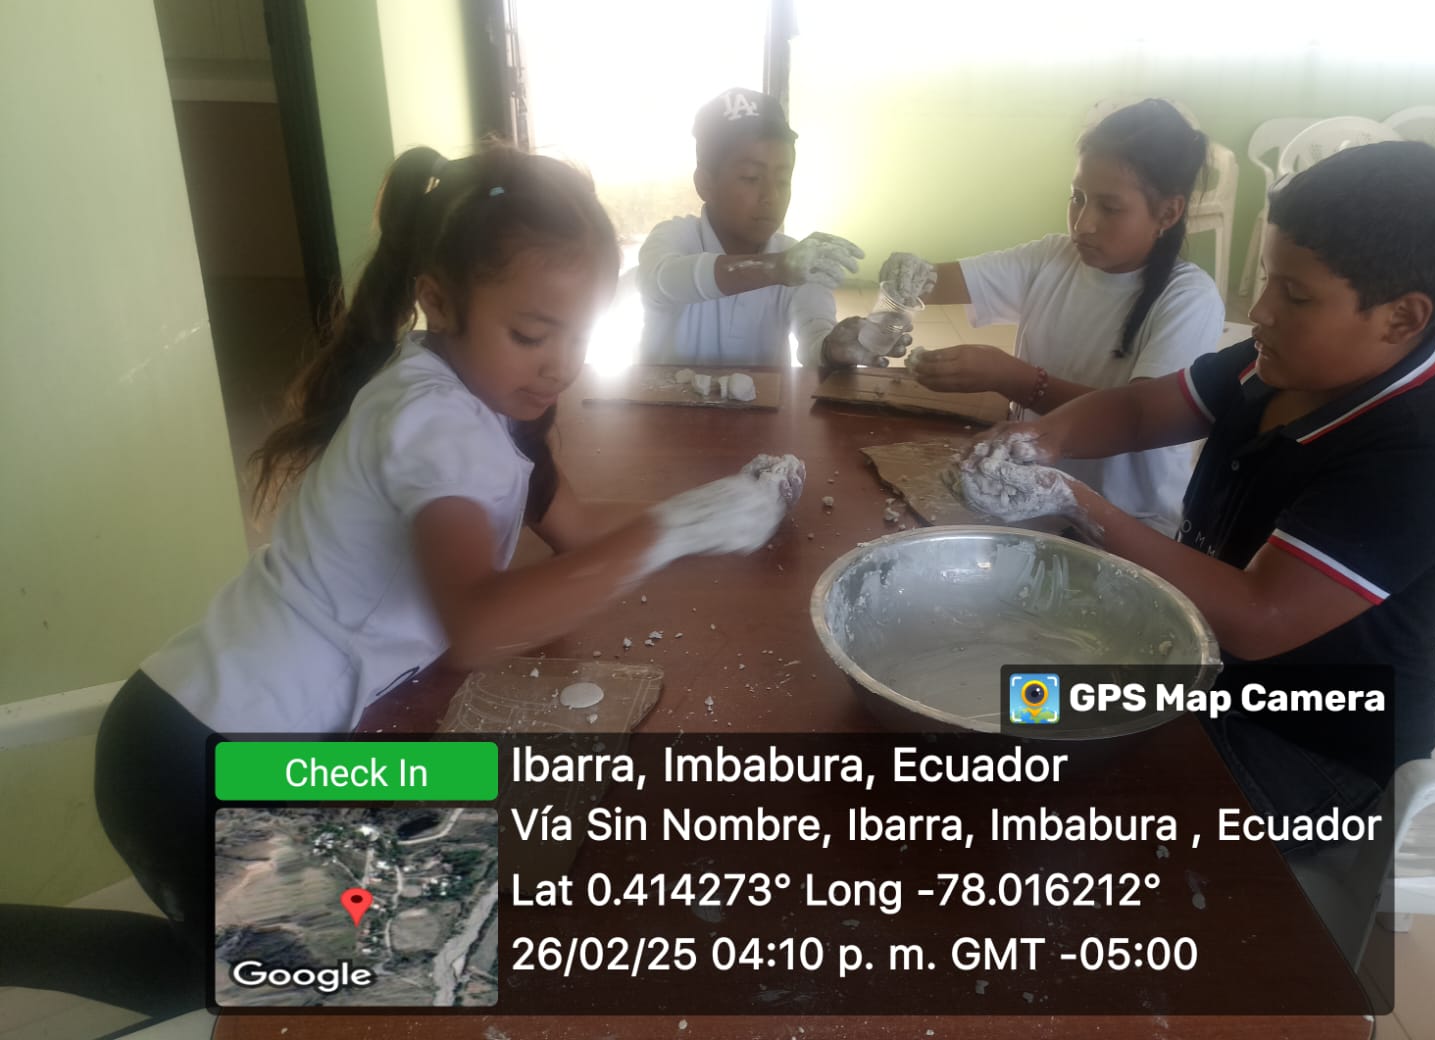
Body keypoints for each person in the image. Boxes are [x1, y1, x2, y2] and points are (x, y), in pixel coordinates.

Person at [0, 145, 804, 1016]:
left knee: (452, 889)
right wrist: (675, 530)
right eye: (533, 335)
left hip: (300, 746)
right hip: (194, 763)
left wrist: (722, 506)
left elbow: (575, 527)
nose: (560, 365)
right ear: (438, 301)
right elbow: (479, 626)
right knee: (368, 975)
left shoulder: (493, 398)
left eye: (581, 334)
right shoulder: (431, 417)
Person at [958, 141, 1435, 846]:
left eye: (1295, 295)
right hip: (1204, 675)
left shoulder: (1426, 455)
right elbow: (1141, 411)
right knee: (997, 710)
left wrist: (1073, 501)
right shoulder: (1274, 366)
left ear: (1401, 317)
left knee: (1055, 805)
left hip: (1314, 751)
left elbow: (1257, 617)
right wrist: (1043, 438)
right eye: (1269, 280)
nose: (1260, 311)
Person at [881, 99, 1224, 535]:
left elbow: (1133, 421)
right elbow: (941, 281)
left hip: (1124, 525)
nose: (1083, 224)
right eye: (1077, 198)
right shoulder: (1053, 258)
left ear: (1168, 213)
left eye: (1109, 208)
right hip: (1027, 500)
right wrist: (903, 276)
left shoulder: (1189, 299)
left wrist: (1012, 377)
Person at [636, 87, 904, 368]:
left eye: (783, 180)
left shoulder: (795, 260)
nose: (771, 197)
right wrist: (773, 268)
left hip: (762, 400)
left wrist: (833, 348)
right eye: (751, 178)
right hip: (660, 398)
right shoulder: (674, 238)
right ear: (705, 184)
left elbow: (815, 332)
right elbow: (660, 282)